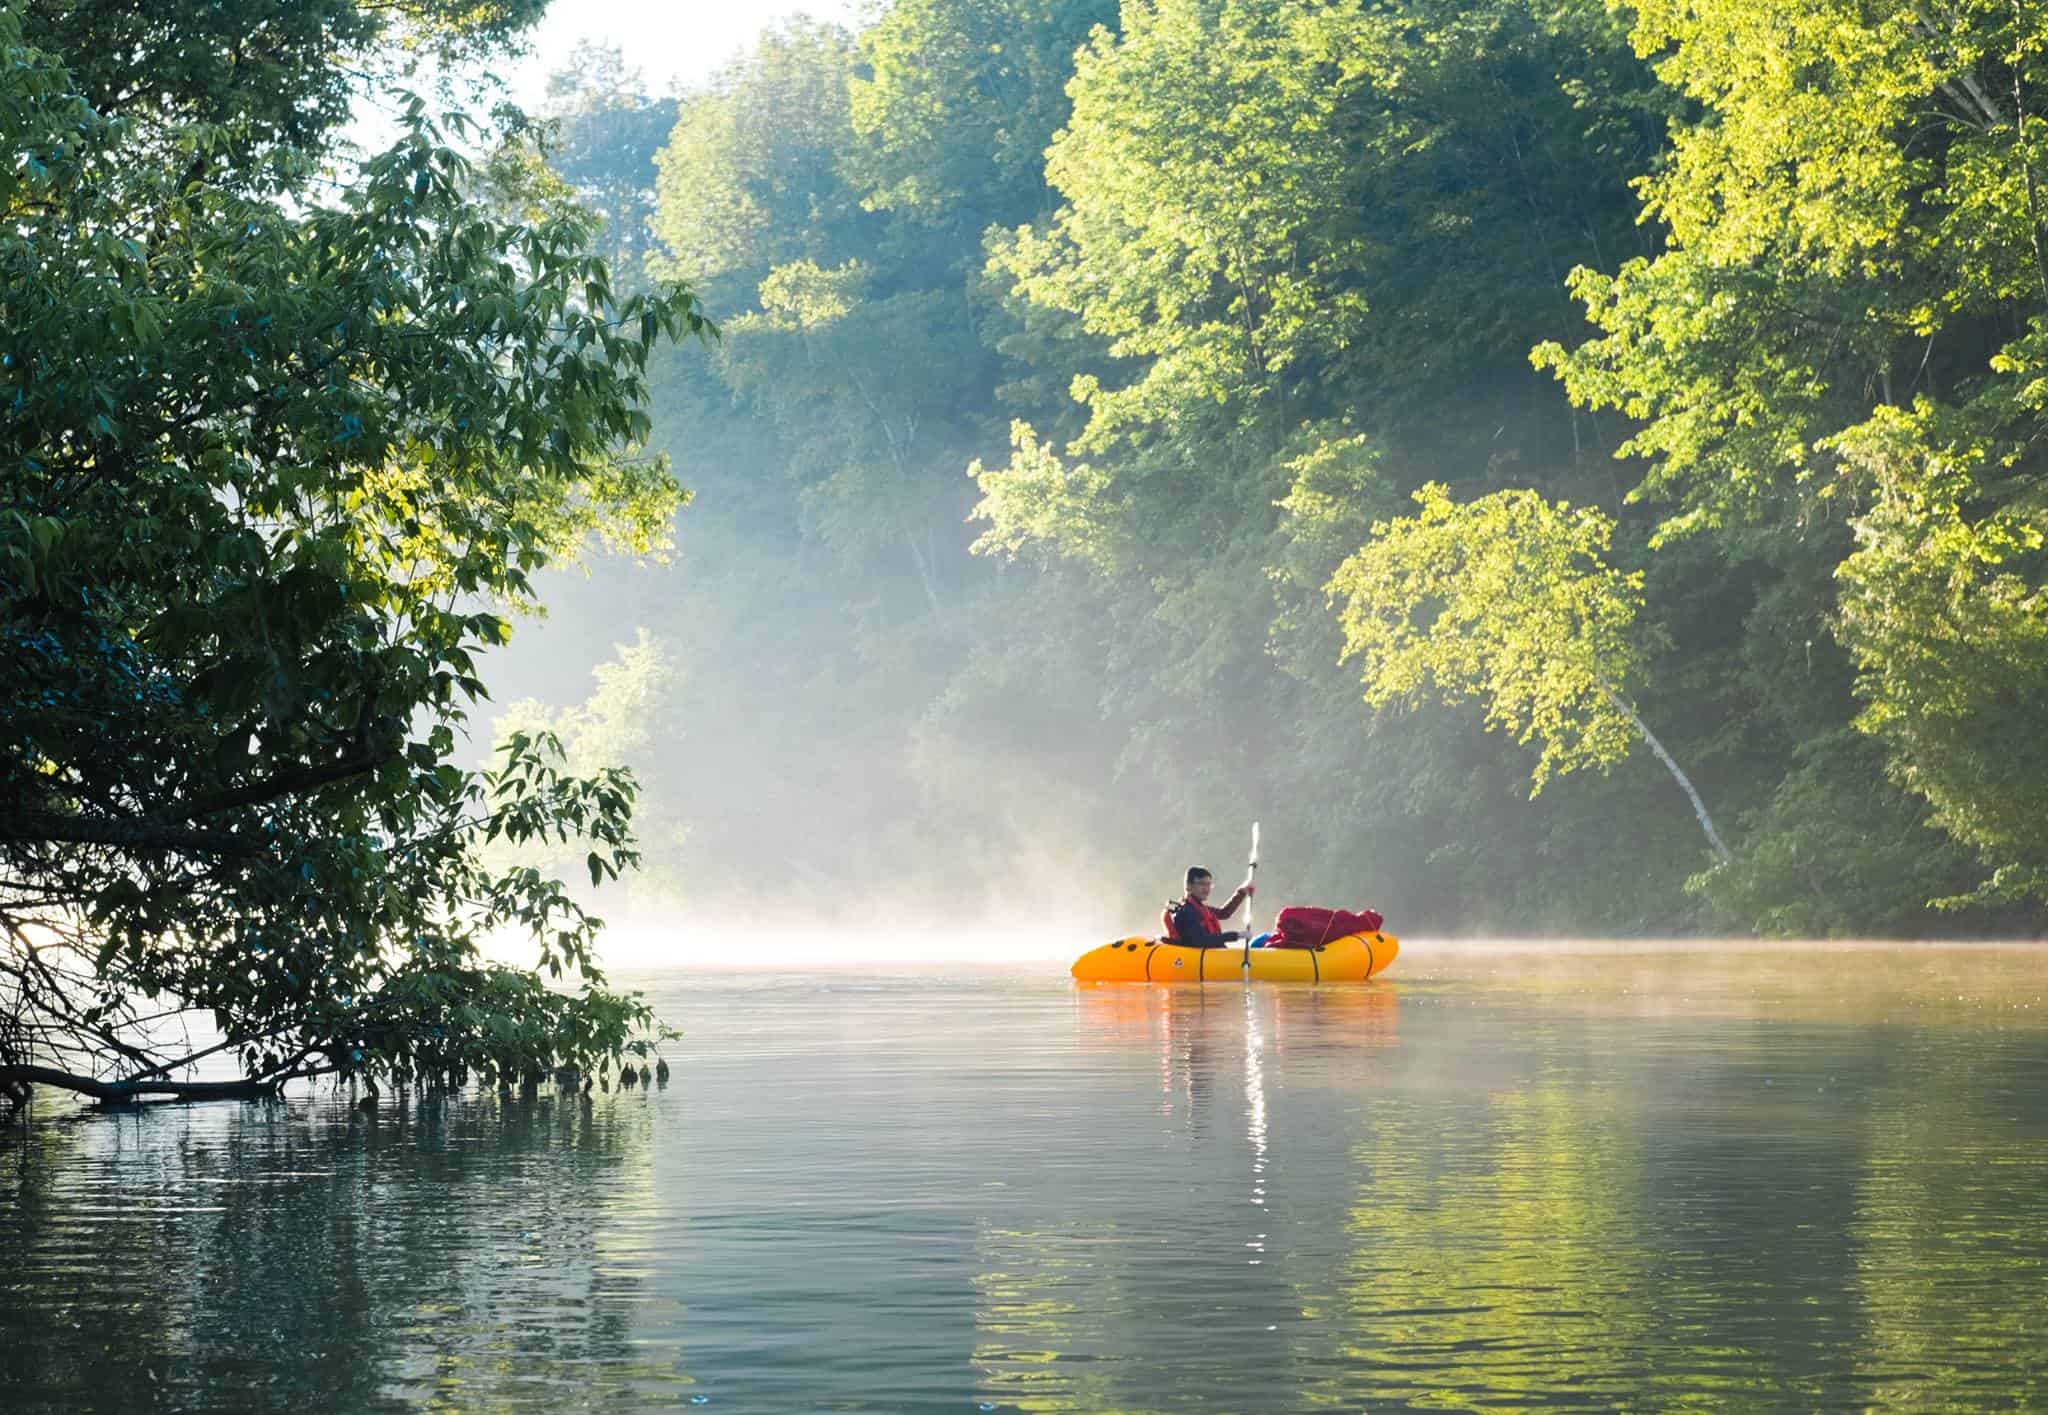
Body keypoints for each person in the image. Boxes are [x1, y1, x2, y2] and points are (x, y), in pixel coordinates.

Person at [1162, 866, 1255, 948]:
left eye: (1209, 884)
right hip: (1194, 961)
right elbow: (1201, 941)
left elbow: (1224, 913)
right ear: (1188, 886)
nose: (1206, 889)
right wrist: (1236, 935)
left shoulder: (1200, 907)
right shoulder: (1186, 912)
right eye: (1202, 884)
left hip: (1208, 956)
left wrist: (1242, 892)